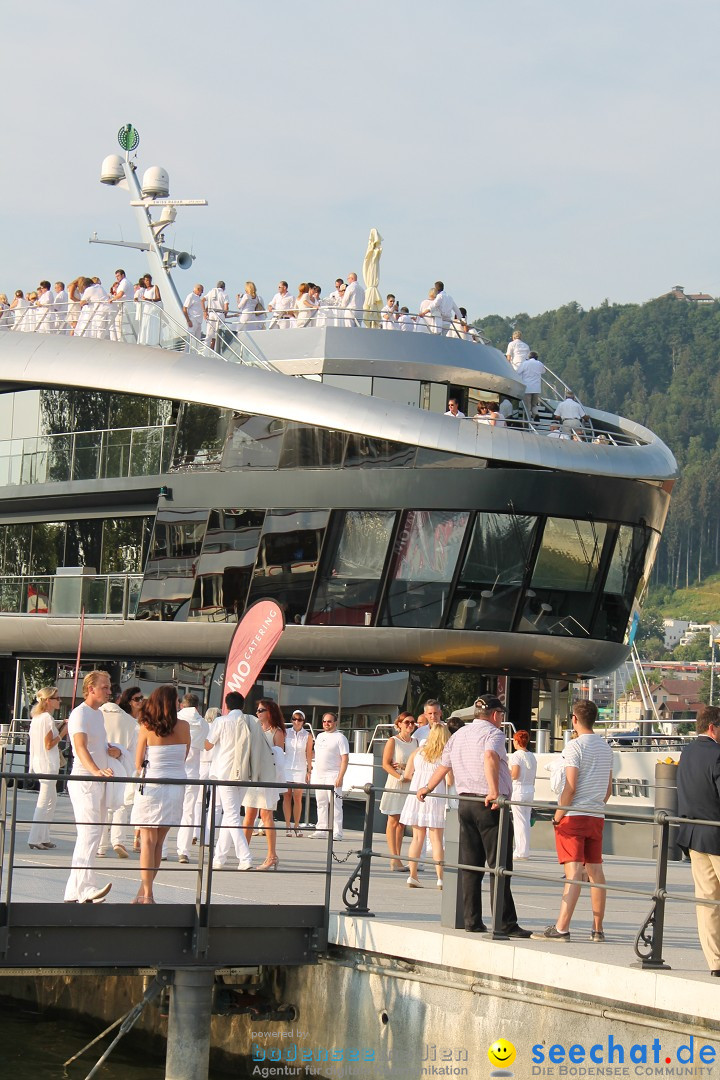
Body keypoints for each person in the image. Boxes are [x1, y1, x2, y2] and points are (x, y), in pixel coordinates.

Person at [418, 693, 530, 938]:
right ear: (494, 715)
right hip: (488, 802)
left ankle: (472, 920)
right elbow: (490, 757)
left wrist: (427, 787)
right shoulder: (494, 734)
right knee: (499, 864)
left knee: (471, 864)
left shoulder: (459, 734)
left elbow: (443, 765)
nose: (501, 718)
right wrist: (493, 791)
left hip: (465, 802)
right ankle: (505, 922)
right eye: (500, 714)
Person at [533, 699, 613, 942]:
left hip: (574, 816)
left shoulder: (573, 748)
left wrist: (558, 815)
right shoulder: (606, 748)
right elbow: (608, 790)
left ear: (575, 720)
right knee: (596, 871)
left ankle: (562, 928)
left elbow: (570, 786)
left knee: (574, 872)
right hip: (596, 815)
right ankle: (597, 928)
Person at [64, 670, 122, 904]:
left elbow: (97, 746)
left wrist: (114, 751)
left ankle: (73, 890)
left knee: (93, 834)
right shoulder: (80, 714)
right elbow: (80, 747)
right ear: (91, 689)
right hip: (84, 780)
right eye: (105, 687)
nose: (110, 690)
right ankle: (85, 888)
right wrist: (95, 770)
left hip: (96, 779)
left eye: (109, 687)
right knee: (89, 833)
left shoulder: (97, 715)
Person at [131, 686, 190, 904]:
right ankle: (143, 892)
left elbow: (138, 763)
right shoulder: (184, 726)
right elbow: (184, 755)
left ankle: (147, 894)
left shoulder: (146, 727)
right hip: (175, 786)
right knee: (159, 843)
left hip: (152, 786)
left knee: (148, 841)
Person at [676, 705, 720, 976]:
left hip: (694, 835)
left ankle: (715, 962)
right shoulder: (717, 755)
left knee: (707, 902)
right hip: (717, 835)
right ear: (713, 727)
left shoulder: (687, 752)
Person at [205, 692, 255, 872]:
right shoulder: (250, 721)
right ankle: (219, 858)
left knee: (232, 815)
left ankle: (245, 857)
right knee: (230, 814)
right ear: (242, 705)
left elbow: (208, 744)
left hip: (224, 772)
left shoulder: (221, 721)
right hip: (244, 773)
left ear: (226, 705)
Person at [402, 723, 451, 889]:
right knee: (436, 840)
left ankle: (413, 875)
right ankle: (441, 878)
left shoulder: (418, 753)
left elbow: (407, 775)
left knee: (417, 838)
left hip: (416, 795)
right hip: (435, 797)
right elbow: (449, 780)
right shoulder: (444, 755)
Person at [243, 699, 286, 869]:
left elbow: (279, 760)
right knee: (248, 816)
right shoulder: (254, 728)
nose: (258, 713)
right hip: (254, 777)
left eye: (261, 710)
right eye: (257, 710)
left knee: (266, 816)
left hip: (268, 778)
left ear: (270, 712)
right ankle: (244, 854)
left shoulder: (277, 732)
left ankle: (271, 855)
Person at [97, 687, 139, 858]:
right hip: (119, 765)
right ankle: (118, 840)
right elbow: (134, 752)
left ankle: (100, 845)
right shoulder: (129, 722)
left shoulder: (94, 714)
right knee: (120, 804)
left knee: (101, 805)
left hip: (97, 765)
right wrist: (121, 753)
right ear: (119, 698)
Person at [28, 686, 67, 849]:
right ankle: (34, 838)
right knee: (45, 801)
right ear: (48, 701)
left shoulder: (38, 718)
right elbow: (49, 744)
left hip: (40, 763)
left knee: (51, 800)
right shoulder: (47, 718)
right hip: (47, 765)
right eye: (57, 698)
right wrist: (64, 731)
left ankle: (43, 836)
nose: (60, 701)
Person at [379, 713, 417, 871]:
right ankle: (393, 858)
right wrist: (400, 777)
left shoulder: (415, 742)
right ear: (399, 724)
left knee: (402, 822)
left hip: (410, 783)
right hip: (396, 782)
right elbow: (385, 764)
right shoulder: (393, 741)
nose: (410, 725)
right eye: (407, 722)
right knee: (393, 820)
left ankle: (398, 858)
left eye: (412, 723)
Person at [176, 693, 209, 863]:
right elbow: (205, 745)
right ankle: (184, 851)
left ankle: (163, 850)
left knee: (166, 809)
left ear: (182, 705)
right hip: (193, 773)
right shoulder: (203, 723)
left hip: (174, 769)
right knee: (188, 812)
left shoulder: (175, 719)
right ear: (197, 707)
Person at [311, 713, 349, 840]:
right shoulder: (320, 736)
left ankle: (338, 832)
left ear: (335, 722)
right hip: (319, 775)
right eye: (324, 721)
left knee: (336, 804)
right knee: (320, 803)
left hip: (333, 775)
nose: (326, 724)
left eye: (329, 721)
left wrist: (340, 777)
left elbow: (345, 759)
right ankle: (321, 829)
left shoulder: (340, 738)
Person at [283, 710, 313, 837]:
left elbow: (309, 754)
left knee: (298, 797)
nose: (296, 722)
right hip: (286, 766)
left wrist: (309, 770)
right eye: (294, 719)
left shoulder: (307, 735)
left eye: (299, 720)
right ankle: (287, 826)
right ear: (291, 720)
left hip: (300, 768)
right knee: (287, 796)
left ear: (303, 722)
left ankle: (296, 825)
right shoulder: (285, 732)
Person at [508, 730, 537, 860]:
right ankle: (525, 849)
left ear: (517, 741)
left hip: (518, 789)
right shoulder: (532, 756)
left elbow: (515, 774)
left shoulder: (516, 756)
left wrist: (505, 772)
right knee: (525, 820)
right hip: (530, 789)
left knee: (519, 821)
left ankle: (520, 851)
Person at [517, 351, 546, 420]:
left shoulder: (525, 363)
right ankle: (536, 414)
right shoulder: (539, 363)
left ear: (529, 357)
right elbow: (543, 371)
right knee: (534, 405)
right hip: (536, 388)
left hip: (527, 388)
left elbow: (518, 372)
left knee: (527, 406)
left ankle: (529, 420)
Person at [108, 269, 133, 341]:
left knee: (121, 325)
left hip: (124, 306)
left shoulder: (124, 282)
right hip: (125, 306)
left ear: (123, 275)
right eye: (116, 276)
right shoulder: (125, 282)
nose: (117, 278)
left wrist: (112, 299)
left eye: (118, 276)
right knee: (121, 325)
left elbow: (121, 294)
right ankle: (123, 340)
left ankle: (122, 341)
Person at [137, 274, 161, 346]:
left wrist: (149, 300)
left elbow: (159, 298)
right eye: (146, 280)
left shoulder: (155, 287)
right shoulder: (145, 290)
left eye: (149, 280)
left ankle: (150, 341)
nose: (148, 282)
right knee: (144, 325)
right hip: (146, 309)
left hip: (152, 309)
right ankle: (143, 341)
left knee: (150, 324)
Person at [204, 280, 228, 350]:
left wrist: (204, 312)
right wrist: (225, 315)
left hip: (211, 313)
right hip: (220, 314)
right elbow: (226, 308)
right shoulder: (224, 295)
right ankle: (217, 350)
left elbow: (202, 300)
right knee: (218, 334)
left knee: (209, 334)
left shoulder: (211, 292)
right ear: (223, 288)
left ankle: (206, 351)